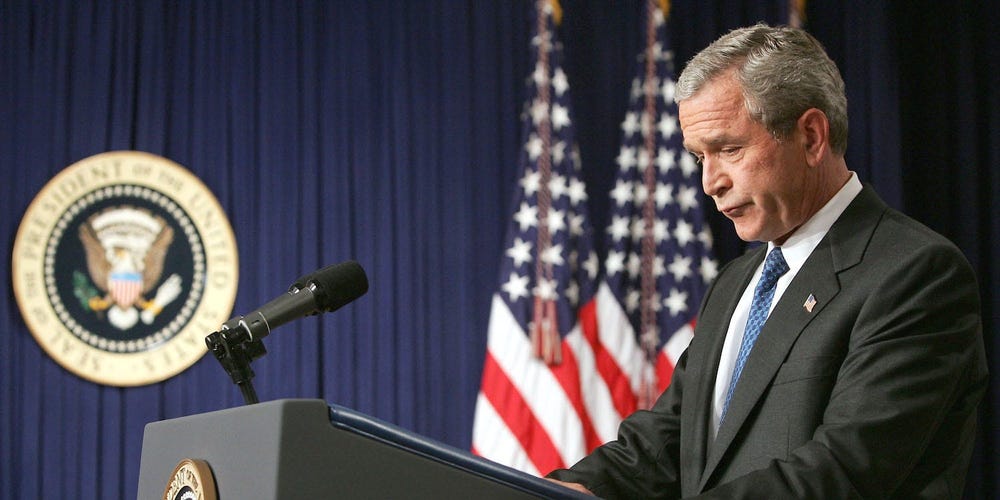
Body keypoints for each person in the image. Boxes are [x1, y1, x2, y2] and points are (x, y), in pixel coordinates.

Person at [547, 23, 987, 498]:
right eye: (699, 158)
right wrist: (551, 492)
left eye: (729, 149)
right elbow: (666, 444)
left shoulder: (914, 274)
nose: (710, 183)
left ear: (811, 137)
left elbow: (844, 470)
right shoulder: (736, 282)